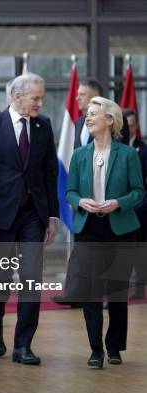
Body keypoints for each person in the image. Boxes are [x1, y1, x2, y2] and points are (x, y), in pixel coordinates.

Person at [0, 73, 59, 364]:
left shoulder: (43, 125)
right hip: (0, 216)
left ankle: (23, 345)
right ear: (17, 96)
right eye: (35, 97)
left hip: (33, 215)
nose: (40, 102)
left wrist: (52, 216)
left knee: (31, 278)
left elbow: (50, 173)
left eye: (41, 97)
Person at [66, 96, 144, 368]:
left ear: (110, 120)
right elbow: (70, 191)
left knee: (117, 292)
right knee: (91, 292)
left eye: (94, 113)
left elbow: (139, 192)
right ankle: (95, 349)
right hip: (88, 228)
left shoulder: (128, 154)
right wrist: (79, 202)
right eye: (87, 113)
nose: (87, 117)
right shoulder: (79, 154)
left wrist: (118, 203)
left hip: (120, 229)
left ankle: (114, 347)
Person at [124, 108, 147, 300]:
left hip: (140, 211)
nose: (129, 129)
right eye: (126, 125)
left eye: (132, 125)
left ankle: (140, 288)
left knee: (140, 252)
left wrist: (138, 205)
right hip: (118, 210)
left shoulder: (144, 150)